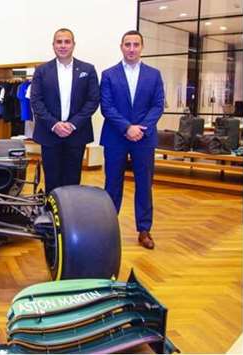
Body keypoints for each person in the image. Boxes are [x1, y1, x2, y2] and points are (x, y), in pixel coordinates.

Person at [100, 30, 165, 249]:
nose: (131, 48)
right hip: (115, 136)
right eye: (127, 44)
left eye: (135, 44)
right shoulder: (108, 74)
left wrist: (140, 129)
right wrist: (127, 127)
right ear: (121, 47)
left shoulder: (154, 74)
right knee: (112, 184)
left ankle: (144, 230)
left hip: (144, 138)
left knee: (144, 185)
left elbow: (157, 105)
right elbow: (106, 107)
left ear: (141, 47)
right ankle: (108, 228)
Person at [30, 28, 100, 195]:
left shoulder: (88, 70)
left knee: (72, 179)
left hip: (76, 134)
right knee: (51, 179)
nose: (63, 45)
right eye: (59, 42)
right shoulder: (42, 71)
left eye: (67, 42)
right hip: (49, 133)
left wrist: (72, 124)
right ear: (53, 45)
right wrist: (54, 124)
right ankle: (51, 216)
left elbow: (93, 100)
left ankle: (70, 216)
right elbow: (36, 101)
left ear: (73, 45)